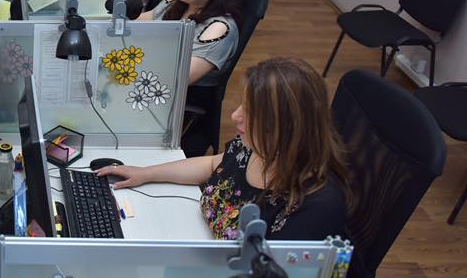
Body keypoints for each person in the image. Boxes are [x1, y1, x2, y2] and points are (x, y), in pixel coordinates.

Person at [97, 57, 350, 240]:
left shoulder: (314, 204)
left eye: (249, 111)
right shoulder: (255, 148)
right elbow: (212, 164)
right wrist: (146, 173)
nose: (235, 115)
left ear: (282, 125)